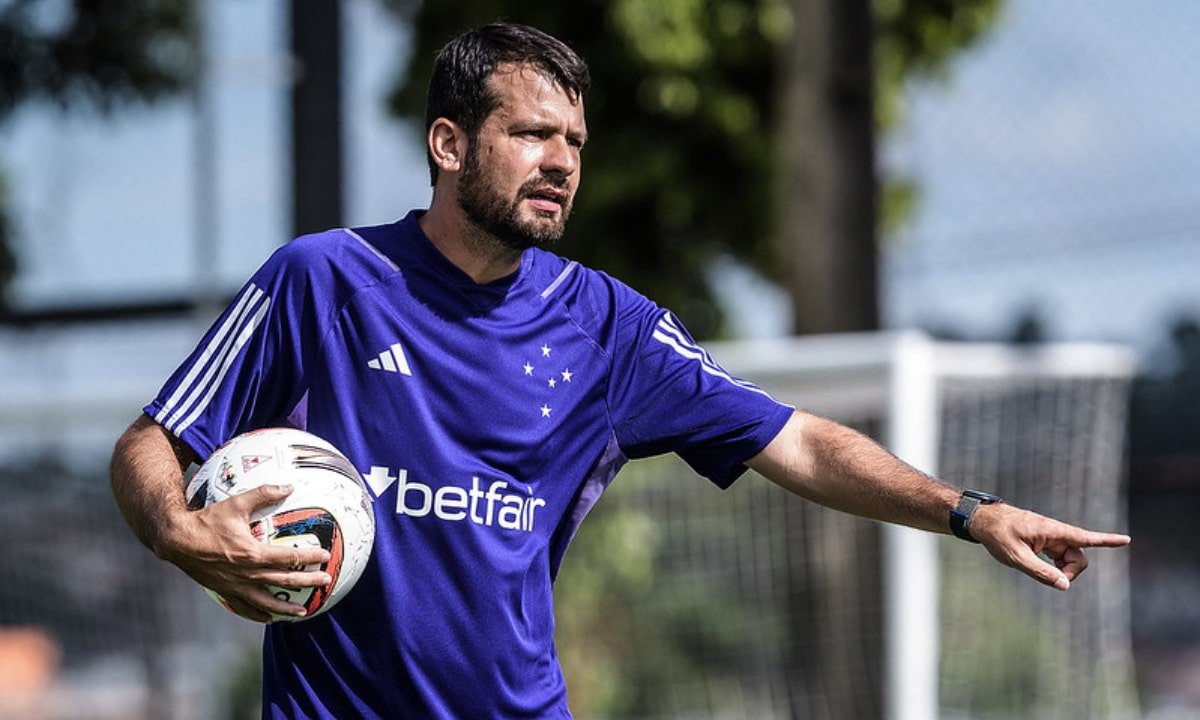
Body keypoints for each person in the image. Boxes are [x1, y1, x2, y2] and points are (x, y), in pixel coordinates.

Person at [109, 22, 1130, 719]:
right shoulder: (324, 280)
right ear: (450, 143)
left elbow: (800, 441)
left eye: (574, 142)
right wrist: (179, 528)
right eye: (530, 134)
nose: (559, 161)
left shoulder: (608, 327)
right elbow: (156, 441)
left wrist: (970, 512)